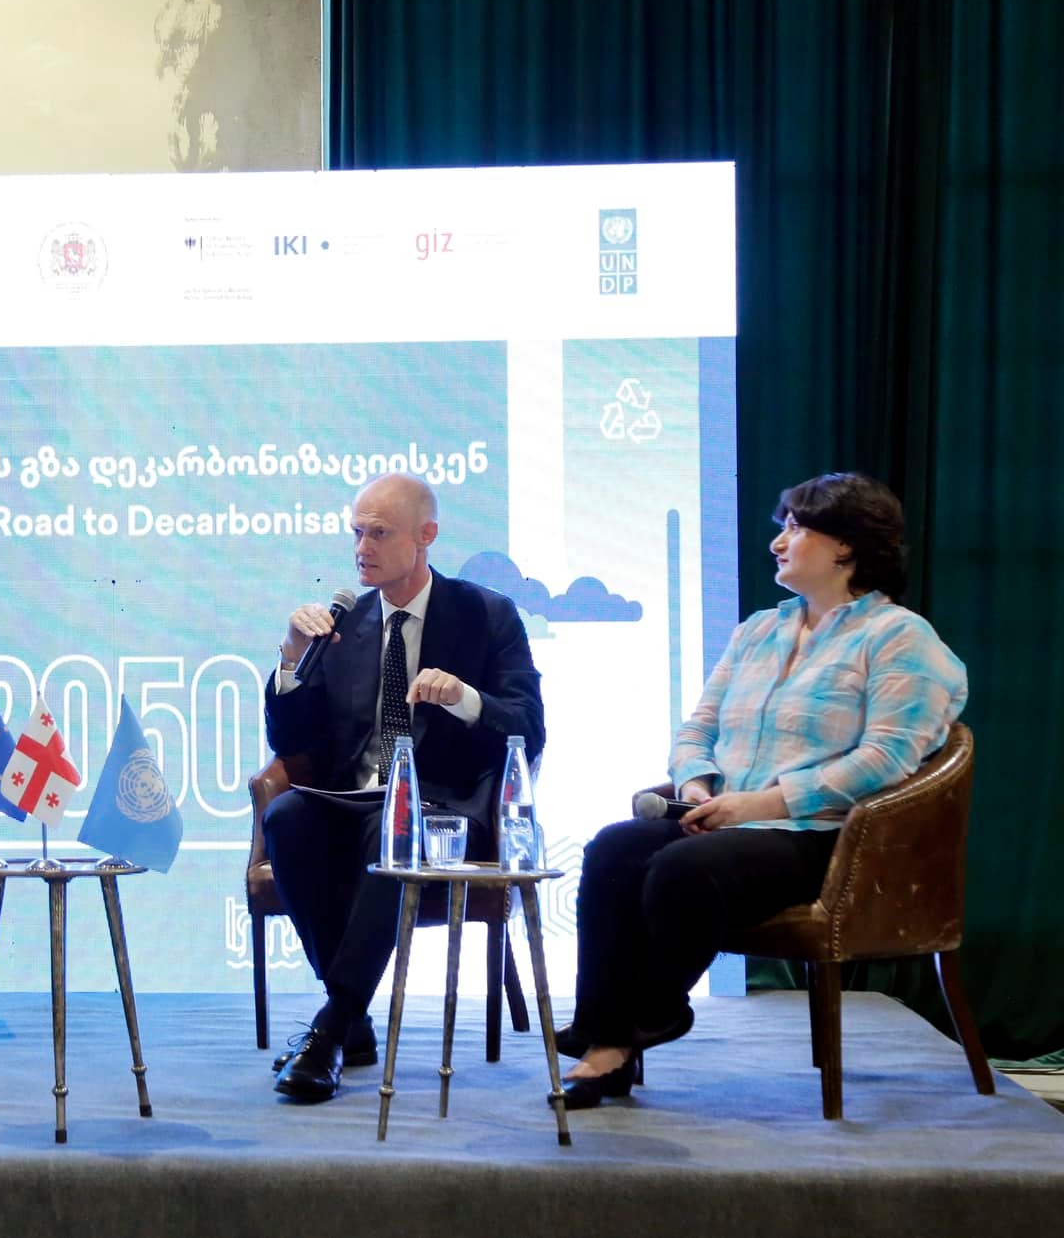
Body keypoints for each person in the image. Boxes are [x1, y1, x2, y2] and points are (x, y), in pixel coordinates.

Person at [557, 473, 968, 1107]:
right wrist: (697, 787)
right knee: (615, 847)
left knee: (683, 868)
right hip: (731, 823)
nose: (778, 543)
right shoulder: (758, 631)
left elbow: (886, 758)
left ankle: (640, 1020)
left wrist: (762, 803)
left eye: (795, 528)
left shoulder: (899, 637)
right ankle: (605, 1040)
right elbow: (697, 730)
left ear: (846, 546)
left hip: (825, 838)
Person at [261, 472, 546, 1102]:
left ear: (426, 536)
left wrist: (466, 698)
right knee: (286, 819)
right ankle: (351, 1020)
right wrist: (291, 658)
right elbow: (292, 740)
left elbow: (528, 728)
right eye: (356, 533)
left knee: (393, 828)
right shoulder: (345, 624)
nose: (362, 548)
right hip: (354, 798)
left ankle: (333, 1028)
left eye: (379, 534)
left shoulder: (485, 615)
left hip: (441, 808)